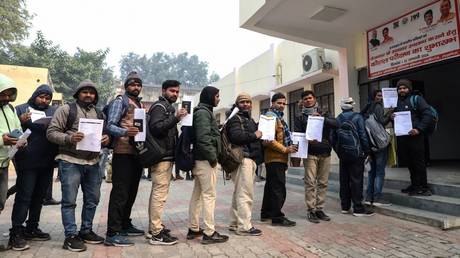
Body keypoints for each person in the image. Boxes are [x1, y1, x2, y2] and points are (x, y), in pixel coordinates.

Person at [47, 80, 110, 252]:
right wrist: (69, 138)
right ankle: (70, 236)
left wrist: (106, 139)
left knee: (93, 200)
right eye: (85, 92)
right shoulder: (66, 110)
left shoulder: (99, 113)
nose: (89, 95)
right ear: (78, 94)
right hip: (70, 161)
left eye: (92, 92)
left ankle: (86, 231)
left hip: (93, 162)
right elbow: (51, 132)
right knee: (69, 201)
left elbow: (104, 135)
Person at [9, 85, 58, 251]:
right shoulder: (20, 109)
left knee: (39, 197)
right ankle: (16, 232)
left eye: (47, 98)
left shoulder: (54, 111)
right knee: (24, 196)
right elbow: (11, 132)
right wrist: (21, 123)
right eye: (41, 97)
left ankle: (32, 227)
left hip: (47, 161)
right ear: (34, 95)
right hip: (27, 161)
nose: (44, 101)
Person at [105, 71, 145, 246]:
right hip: (122, 153)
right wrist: (125, 132)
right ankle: (112, 233)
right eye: (132, 84)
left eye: (138, 85)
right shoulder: (120, 101)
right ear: (126, 86)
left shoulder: (139, 103)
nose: (135, 87)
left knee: (131, 192)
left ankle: (124, 224)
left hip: (136, 152)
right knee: (120, 193)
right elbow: (110, 125)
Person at [146, 80, 187, 245]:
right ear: (163, 91)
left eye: (177, 92)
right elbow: (156, 128)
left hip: (166, 157)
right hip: (161, 158)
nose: (175, 94)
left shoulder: (166, 107)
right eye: (172, 91)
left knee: (158, 193)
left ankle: (154, 228)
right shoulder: (159, 107)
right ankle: (156, 233)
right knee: (159, 194)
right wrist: (176, 118)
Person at [187, 86, 229, 244]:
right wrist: (213, 158)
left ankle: (193, 228)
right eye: (217, 96)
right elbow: (203, 139)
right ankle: (209, 232)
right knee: (209, 196)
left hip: (200, 160)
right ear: (210, 97)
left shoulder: (203, 111)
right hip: (205, 160)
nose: (218, 99)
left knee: (197, 196)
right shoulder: (204, 113)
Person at [294, 90, 337, 223]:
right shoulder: (300, 117)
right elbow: (298, 134)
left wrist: (322, 118)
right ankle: (311, 210)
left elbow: (336, 124)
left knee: (323, 183)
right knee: (310, 182)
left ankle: (320, 209)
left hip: (325, 151)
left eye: (310, 98)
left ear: (314, 99)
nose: (308, 100)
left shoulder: (324, 112)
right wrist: (307, 140)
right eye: (305, 99)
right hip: (310, 153)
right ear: (303, 101)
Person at [226, 93, 263, 236]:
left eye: (248, 101)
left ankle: (234, 223)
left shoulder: (248, 119)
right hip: (243, 159)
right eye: (242, 102)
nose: (246, 104)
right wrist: (255, 135)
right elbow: (236, 137)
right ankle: (244, 227)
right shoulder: (235, 119)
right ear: (237, 104)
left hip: (249, 159)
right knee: (245, 194)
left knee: (239, 193)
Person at [260, 93, 298, 227]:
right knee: (278, 188)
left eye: (283, 103)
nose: (281, 106)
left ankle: (266, 213)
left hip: (278, 158)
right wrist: (285, 150)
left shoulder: (279, 118)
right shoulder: (270, 117)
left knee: (271, 187)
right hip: (275, 157)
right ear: (272, 103)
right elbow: (269, 140)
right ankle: (277, 217)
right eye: (279, 103)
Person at [333, 97, 374, 217]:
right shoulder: (358, 117)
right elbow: (363, 135)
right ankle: (358, 208)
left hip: (343, 155)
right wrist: (366, 151)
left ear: (341, 107)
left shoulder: (338, 119)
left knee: (344, 180)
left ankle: (345, 206)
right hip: (356, 154)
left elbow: (333, 138)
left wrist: (339, 151)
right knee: (356, 180)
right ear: (352, 106)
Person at [394, 79, 433, 196]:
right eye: (399, 88)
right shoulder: (397, 102)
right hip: (404, 137)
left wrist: (418, 129)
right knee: (410, 163)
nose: (402, 90)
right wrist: (392, 116)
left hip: (416, 137)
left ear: (409, 89)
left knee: (419, 162)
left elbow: (428, 115)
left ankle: (423, 187)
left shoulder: (416, 99)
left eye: (404, 88)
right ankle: (414, 185)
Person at [361, 90, 392, 206]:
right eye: (379, 96)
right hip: (379, 145)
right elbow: (382, 121)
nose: (381, 98)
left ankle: (369, 197)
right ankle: (377, 198)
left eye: (382, 95)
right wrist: (389, 115)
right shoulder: (378, 106)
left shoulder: (366, 108)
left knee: (371, 172)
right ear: (374, 97)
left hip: (370, 146)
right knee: (379, 172)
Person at [0, 74, 22, 216]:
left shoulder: (11, 109)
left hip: (4, 163)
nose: (6, 98)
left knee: (1, 201)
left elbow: (17, 127)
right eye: (2, 94)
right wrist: (2, 140)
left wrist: (21, 139)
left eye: (9, 95)